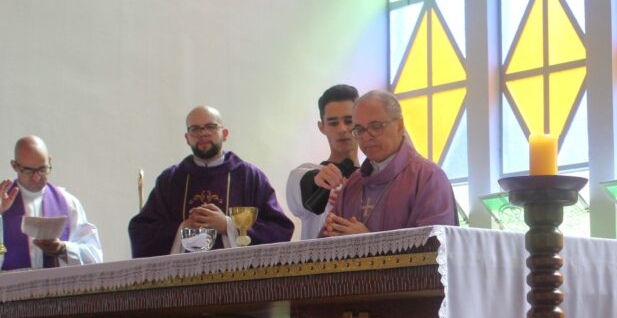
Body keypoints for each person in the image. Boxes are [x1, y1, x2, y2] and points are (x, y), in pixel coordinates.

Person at [129, 106, 294, 256]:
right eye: (195, 129)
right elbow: (141, 232)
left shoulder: (249, 177)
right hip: (183, 280)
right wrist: (183, 228)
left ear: (225, 133)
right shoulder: (170, 180)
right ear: (187, 138)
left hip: (238, 281)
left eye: (211, 127)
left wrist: (228, 226)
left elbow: (280, 229)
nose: (203, 133)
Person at [322, 90, 458, 236]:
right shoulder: (353, 184)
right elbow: (324, 245)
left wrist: (368, 243)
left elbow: (434, 249)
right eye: (360, 130)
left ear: (400, 125)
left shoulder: (429, 177)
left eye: (376, 126)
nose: (366, 137)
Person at [0, 136, 102, 271]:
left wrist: (63, 249)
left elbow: (95, 257)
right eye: (29, 171)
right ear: (15, 166)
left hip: (57, 289)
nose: (36, 177)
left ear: (50, 162)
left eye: (42, 170)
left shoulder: (69, 203)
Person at [285, 84, 360, 240]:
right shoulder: (305, 173)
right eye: (333, 122)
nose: (342, 129)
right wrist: (317, 180)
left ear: (360, 123)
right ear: (321, 127)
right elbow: (300, 186)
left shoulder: (376, 177)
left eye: (349, 121)